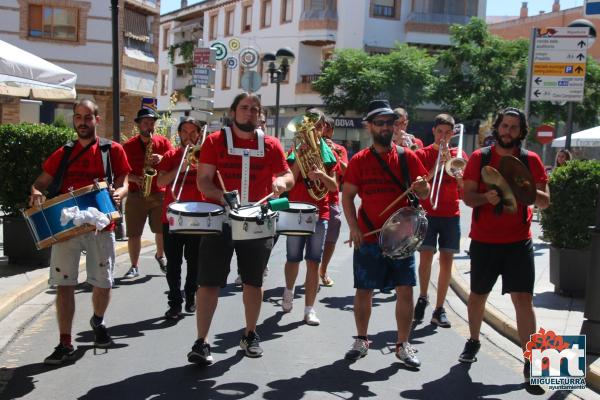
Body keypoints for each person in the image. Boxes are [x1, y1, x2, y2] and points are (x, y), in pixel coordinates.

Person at [188, 92, 294, 365]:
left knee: (253, 281)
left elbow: (288, 175)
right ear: (233, 112)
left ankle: (249, 334)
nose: (250, 113)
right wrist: (220, 196)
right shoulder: (215, 141)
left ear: (260, 115)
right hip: (221, 219)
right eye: (244, 108)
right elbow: (203, 181)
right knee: (209, 282)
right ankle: (202, 341)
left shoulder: (271, 144)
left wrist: (282, 183)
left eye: (255, 109)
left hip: (258, 219)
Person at [29, 99, 131, 365]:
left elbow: (124, 182)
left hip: (102, 225)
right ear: (74, 120)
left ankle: (97, 320)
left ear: (97, 119)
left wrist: (119, 194)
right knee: (64, 284)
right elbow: (40, 182)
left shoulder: (113, 150)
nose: (82, 122)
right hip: (67, 228)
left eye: (88, 117)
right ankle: (65, 342)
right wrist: (36, 194)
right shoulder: (64, 152)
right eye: (78, 117)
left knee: (103, 282)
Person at [458, 108, 550, 382]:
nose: (508, 131)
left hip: (518, 242)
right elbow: (468, 198)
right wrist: (487, 198)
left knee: (523, 300)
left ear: (521, 132)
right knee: (477, 296)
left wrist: (524, 191)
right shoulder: (480, 157)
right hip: (485, 241)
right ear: (497, 128)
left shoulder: (530, 160)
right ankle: (473, 340)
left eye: (514, 127)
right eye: (504, 126)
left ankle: (530, 359)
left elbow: (545, 200)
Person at [342, 100, 429, 368]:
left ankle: (403, 344)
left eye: (389, 122)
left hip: (402, 238)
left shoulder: (407, 156)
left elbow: (424, 193)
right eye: (379, 123)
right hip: (369, 235)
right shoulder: (359, 160)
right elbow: (347, 197)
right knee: (363, 290)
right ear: (369, 126)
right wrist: (354, 227)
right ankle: (361, 339)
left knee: (405, 289)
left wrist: (422, 186)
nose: (385, 127)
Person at [282, 109, 338, 325]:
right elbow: (291, 180)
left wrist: (322, 175)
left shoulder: (328, 153)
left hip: (319, 212)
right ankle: (288, 291)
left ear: (324, 128)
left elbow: (333, 187)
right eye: (311, 125)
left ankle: (309, 309)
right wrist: (299, 158)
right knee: (293, 258)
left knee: (314, 262)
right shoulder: (295, 149)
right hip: (296, 210)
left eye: (319, 125)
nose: (315, 129)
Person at [414, 114, 468, 328]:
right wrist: (438, 164)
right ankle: (423, 296)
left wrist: (455, 169)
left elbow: (463, 186)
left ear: (453, 133)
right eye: (440, 132)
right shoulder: (422, 154)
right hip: (428, 212)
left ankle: (439, 308)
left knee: (447, 262)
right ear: (434, 132)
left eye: (447, 133)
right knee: (425, 258)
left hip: (451, 214)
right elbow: (420, 185)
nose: (444, 137)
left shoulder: (459, 154)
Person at [156, 117, 204, 319]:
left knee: (194, 262)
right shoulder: (170, 155)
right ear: (179, 134)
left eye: (193, 132)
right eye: (185, 132)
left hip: (197, 217)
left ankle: (191, 296)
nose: (189, 136)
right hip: (173, 217)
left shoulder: (205, 156)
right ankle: (175, 302)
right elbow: (160, 181)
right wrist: (181, 168)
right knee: (174, 264)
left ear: (200, 135)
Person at [122, 107, 174, 278]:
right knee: (134, 233)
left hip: (158, 192)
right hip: (136, 193)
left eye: (151, 123)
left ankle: (161, 255)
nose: (149, 126)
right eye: (145, 123)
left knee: (160, 230)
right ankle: (134, 266)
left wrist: (163, 158)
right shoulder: (128, 146)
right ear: (138, 125)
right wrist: (134, 179)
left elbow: (174, 163)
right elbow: (121, 172)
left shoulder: (163, 142)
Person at [319, 115, 348, 287]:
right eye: (323, 127)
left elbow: (347, 172)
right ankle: (313, 271)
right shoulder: (311, 147)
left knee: (331, 237)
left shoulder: (340, 149)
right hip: (313, 199)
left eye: (329, 128)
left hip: (332, 199)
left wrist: (335, 154)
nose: (325, 131)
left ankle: (323, 269)